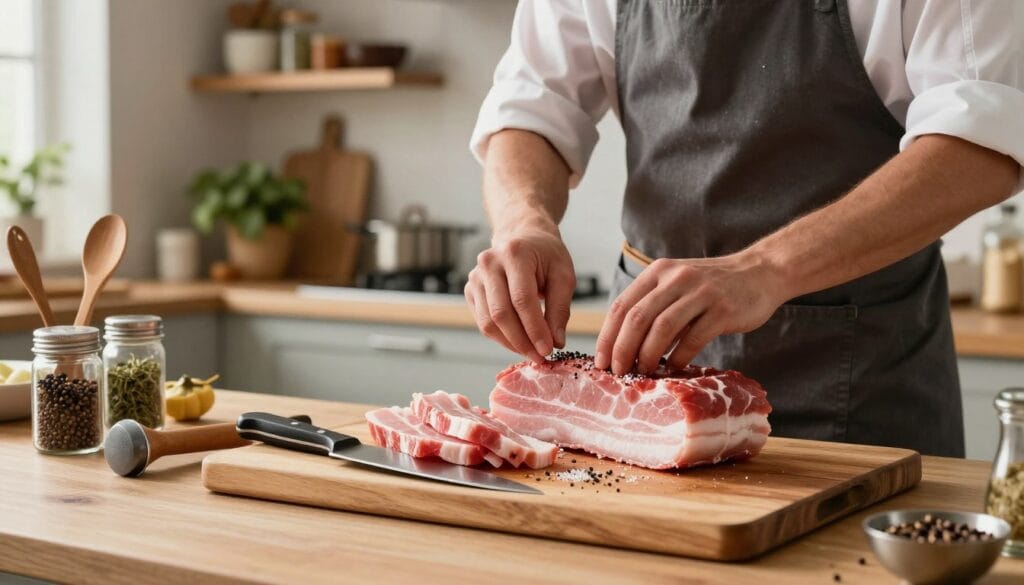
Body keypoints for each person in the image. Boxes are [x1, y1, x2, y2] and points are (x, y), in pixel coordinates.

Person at [465, 0, 1024, 457]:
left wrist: (764, 269)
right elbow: (531, 105)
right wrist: (525, 220)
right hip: (639, 391)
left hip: (861, 374)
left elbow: (981, 141)